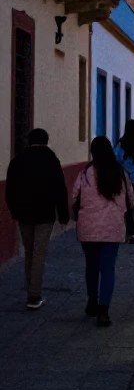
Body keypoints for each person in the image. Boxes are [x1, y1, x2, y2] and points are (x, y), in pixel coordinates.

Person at [5, 128, 70, 310]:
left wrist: (14, 210)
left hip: (24, 213)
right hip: (44, 213)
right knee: (39, 252)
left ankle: (30, 287)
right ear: (46, 141)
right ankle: (34, 295)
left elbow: (10, 189)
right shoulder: (51, 160)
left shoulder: (17, 161)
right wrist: (63, 214)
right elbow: (60, 188)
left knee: (29, 251)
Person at [72, 136, 134, 327]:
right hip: (112, 228)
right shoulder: (120, 174)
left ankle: (92, 302)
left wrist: (78, 217)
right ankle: (104, 311)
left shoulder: (84, 174)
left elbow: (74, 198)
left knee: (91, 266)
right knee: (108, 269)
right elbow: (130, 199)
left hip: (88, 228)